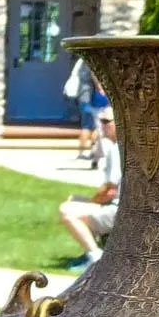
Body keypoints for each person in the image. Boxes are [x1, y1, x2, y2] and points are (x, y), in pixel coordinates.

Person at [57, 107, 121, 274]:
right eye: (101, 121)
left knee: (67, 210)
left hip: (117, 211)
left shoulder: (117, 150)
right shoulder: (123, 146)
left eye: (107, 121)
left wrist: (90, 203)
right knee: (75, 200)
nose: (102, 125)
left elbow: (110, 192)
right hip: (123, 207)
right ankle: (93, 251)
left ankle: (95, 258)